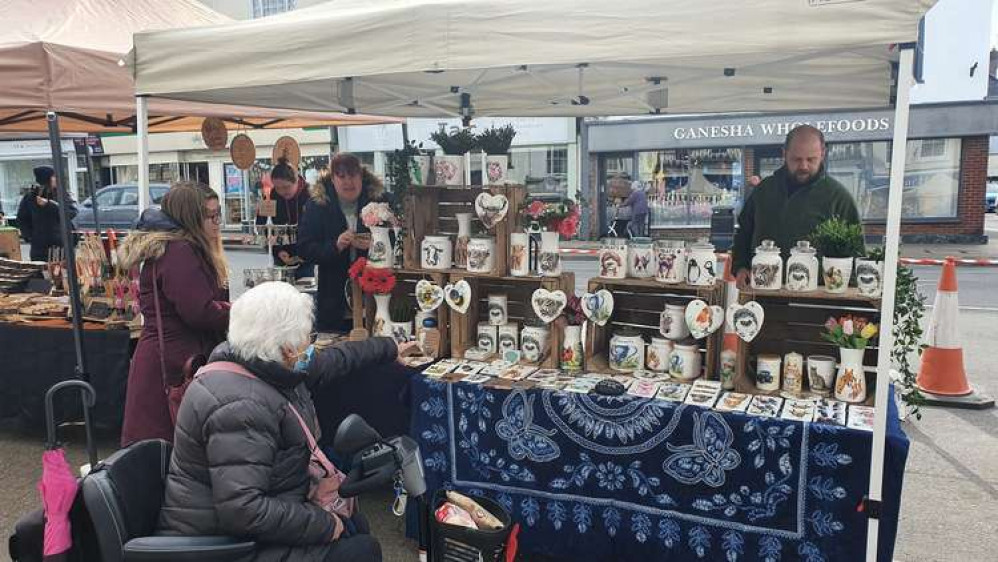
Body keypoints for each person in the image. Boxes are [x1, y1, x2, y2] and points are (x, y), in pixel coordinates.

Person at [157, 281, 417, 562]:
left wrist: (389, 348)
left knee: (355, 527)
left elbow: (335, 361)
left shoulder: (263, 362)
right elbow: (244, 511)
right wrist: (325, 524)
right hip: (226, 544)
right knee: (359, 550)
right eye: (308, 337)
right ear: (286, 348)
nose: (311, 345)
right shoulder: (240, 406)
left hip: (265, 511)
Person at [118, 181, 231, 446]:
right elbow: (200, 311)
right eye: (211, 216)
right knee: (164, 449)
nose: (217, 223)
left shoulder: (179, 248)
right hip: (171, 365)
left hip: (173, 358)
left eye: (218, 214)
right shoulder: (179, 251)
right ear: (190, 218)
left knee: (163, 449)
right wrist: (245, 312)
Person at [731, 125, 861, 288]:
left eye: (811, 159)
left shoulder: (839, 198)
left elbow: (855, 254)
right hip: (763, 294)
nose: (804, 166)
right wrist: (741, 267)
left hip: (817, 298)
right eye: (797, 159)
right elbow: (743, 233)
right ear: (784, 154)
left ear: (823, 154)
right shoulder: (764, 191)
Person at [299, 153, 392, 332]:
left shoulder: (381, 200)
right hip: (333, 298)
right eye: (341, 176)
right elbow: (304, 248)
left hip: (375, 294)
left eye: (353, 175)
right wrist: (336, 246)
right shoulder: (318, 205)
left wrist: (377, 244)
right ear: (333, 179)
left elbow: (397, 237)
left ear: (361, 177)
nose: (348, 182)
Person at [256, 158, 313, 278]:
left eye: (286, 187)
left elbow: (318, 229)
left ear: (296, 180)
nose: (282, 191)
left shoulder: (311, 196)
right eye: (277, 187)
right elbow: (263, 226)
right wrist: (278, 250)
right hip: (281, 258)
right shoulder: (271, 197)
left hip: (308, 258)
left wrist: (308, 252)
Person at [16, 165, 78, 261]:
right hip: (40, 249)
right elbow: (22, 219)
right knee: (41, 273)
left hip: (62, 246)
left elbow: (71, 213)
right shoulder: (30, 197)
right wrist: (30, 236)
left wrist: (50, 205)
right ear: (46, 179)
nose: (57, 179)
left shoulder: (61, 194)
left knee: (62, 273)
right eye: (53, 176)